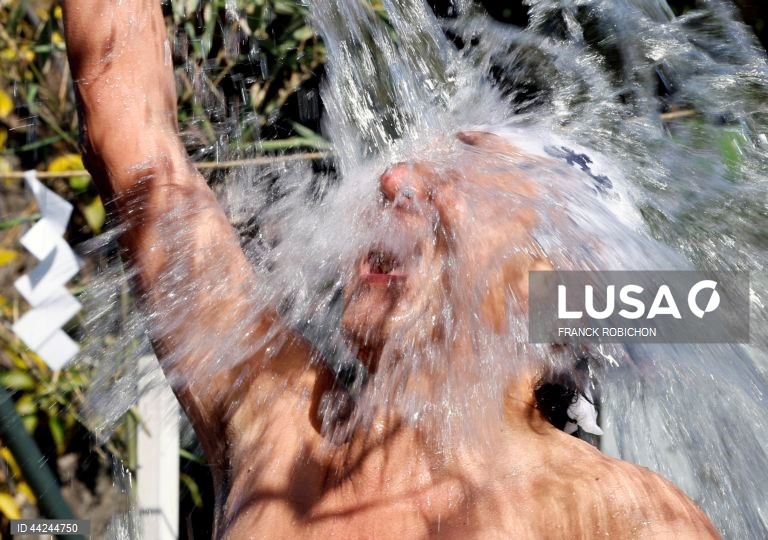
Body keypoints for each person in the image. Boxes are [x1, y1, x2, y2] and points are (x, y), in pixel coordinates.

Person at [62, 0, 719, 538]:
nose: (396, 180)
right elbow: (135, 140)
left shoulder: (620, 516)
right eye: (415, 163)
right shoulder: (276, 422)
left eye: (464, 178)